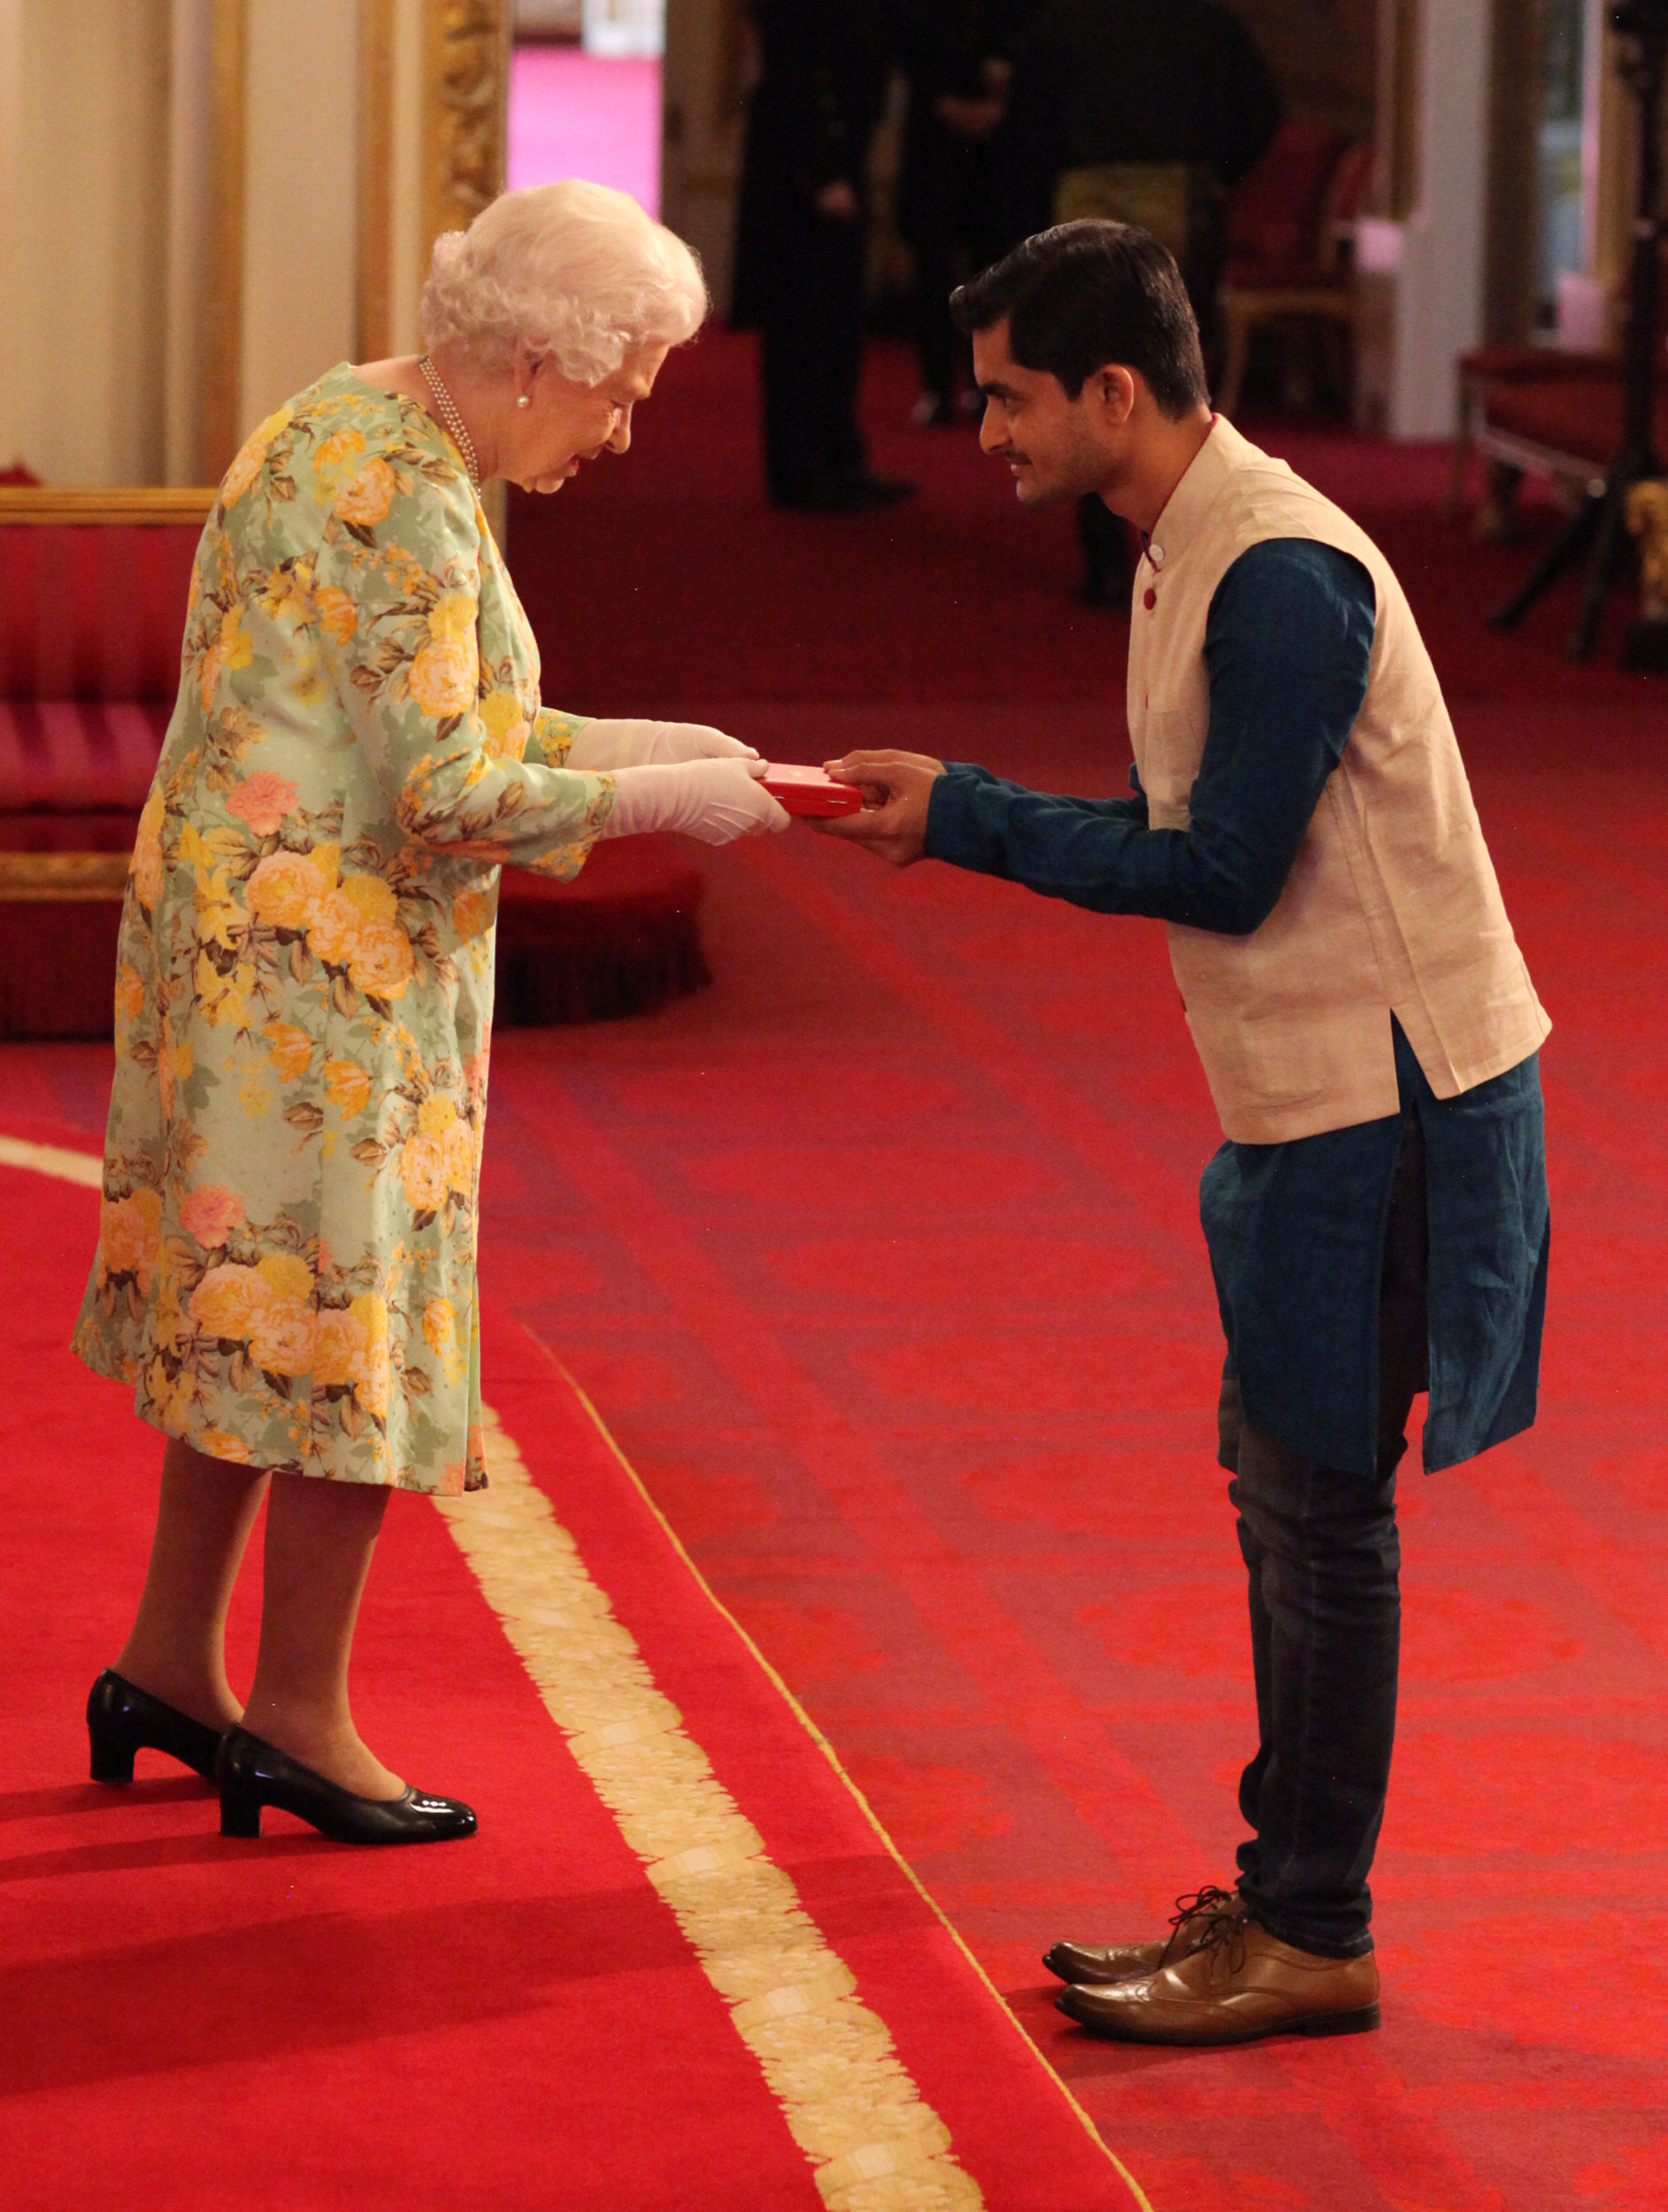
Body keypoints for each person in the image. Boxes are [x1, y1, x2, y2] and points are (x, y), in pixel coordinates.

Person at [819, 221, 1550, 2045]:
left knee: (1315, 1511)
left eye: (1004, 400)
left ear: (1113, 394)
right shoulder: (1189, 539)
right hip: (1312, 1096)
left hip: (1386, 1104)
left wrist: (965, 817)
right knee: (1285, 1490)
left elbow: (1222, 872)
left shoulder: (1277, 571)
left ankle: (1311, 1924)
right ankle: (1291, 1896)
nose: (980, 430)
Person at [75, 180, 790, 1847]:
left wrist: (656, 750)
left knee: (250, 1308)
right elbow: (448, 791)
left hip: (242, 940)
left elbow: (465, 719)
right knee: (340, 1326)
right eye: (623, 389)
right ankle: (304, 1715)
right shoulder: (411, 494)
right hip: (322, 975)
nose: (625, 430)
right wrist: (672, 801)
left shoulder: (351, 415)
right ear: (541, 356)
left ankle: (172, 1664)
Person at [1008, 0, 1281, 602]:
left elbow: (1025, 132)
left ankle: (1105, 561)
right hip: (1182, 202)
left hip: (1083, 202)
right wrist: (1215, 172)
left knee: (1090, 381)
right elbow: (1261, 113)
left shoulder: (1061, 21)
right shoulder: (1206, 21)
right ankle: (1182, 554)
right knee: (1174, 389)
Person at [732, 0, 915, 510]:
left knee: (838, 322)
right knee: (801, 325)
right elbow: (793, 72)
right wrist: (822, 171)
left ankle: (840, 457)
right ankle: (800, 471)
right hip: (804, 173)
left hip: (840, 158)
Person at [893, 1, 1038, 426]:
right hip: (934, 142)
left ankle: (986, 388)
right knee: (933, 273)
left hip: (999, 145)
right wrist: (942, 97)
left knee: (994, 276)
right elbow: (905, 38)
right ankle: (937, 386)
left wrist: (1006, 87)